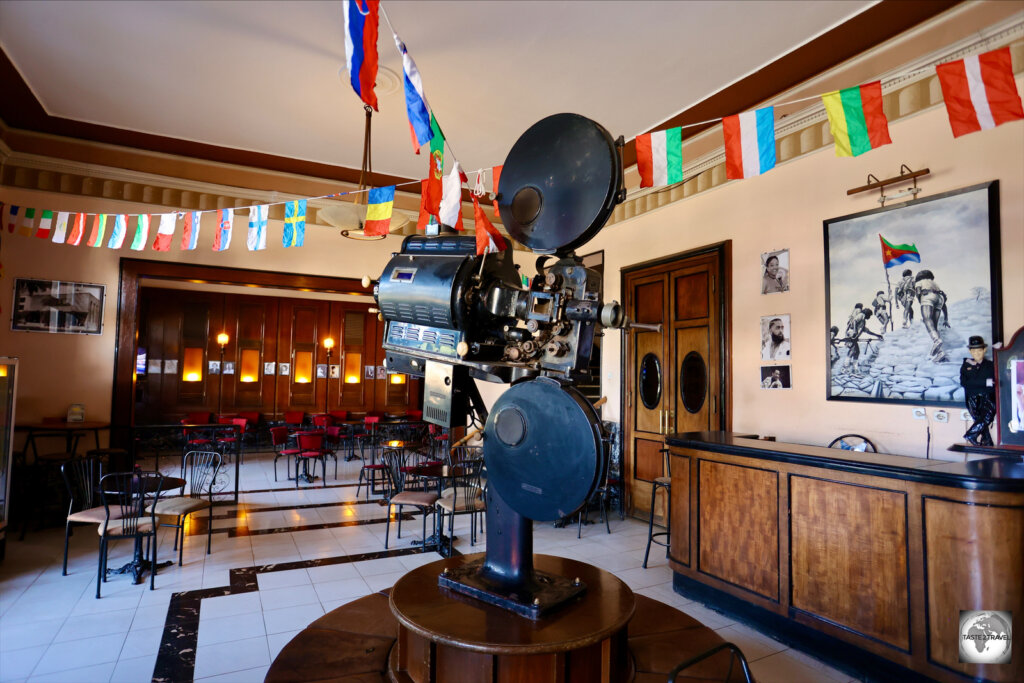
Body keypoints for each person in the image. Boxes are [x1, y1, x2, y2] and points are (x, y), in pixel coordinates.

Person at [960, 335, 996, 446]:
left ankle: (971, 434)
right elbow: (964, 383)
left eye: (979, 351)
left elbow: (995, 381)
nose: (977, 354)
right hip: (972, 398)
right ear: (970, 351)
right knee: (979, 419)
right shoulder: (966, 365)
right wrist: (985, 382)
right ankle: (987, 441)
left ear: (984, 350)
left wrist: (998, 351)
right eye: (974, 351)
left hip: (987, 396)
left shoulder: (990, 365)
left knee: (988, 415)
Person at [914, 269, 950, 362]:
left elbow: (918, 292)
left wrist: (921, 300)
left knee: (927, 319)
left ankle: (936, 340)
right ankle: (940, 353)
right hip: (940, 299)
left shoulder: (919, 282)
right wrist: (946, 318)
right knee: (934, 326)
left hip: (927, 296)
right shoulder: (935, 284)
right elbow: (944, 305)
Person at [842, 308, 883, 375]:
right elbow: (855, 321)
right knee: (852, 351)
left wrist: (877, 335)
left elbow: (868, 331)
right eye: (869, 315)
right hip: (851, 334)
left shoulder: (863, 322)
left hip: (854, 337)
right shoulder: (861, 315)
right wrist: (855, 330)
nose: (869, 317)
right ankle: (845, 368)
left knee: (857, 352)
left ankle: (855, 369)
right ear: (867, 313)